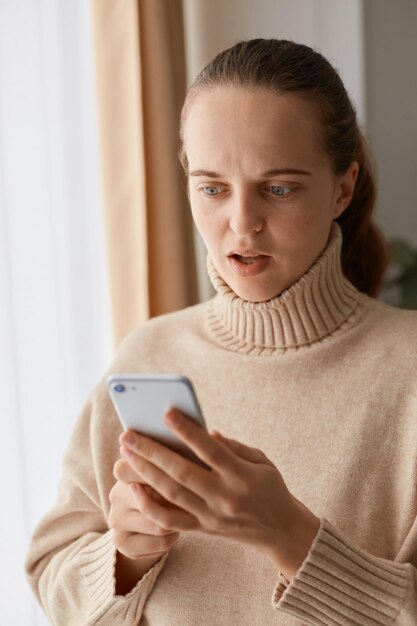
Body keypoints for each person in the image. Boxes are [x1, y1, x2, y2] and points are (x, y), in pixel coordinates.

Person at [25, 38, 417, 626]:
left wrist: (287, 533)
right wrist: (127, 556)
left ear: (342, 187)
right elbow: (51, 573)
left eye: (278, 188)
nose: (241, 223)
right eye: (212, 188)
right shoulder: (150, 354)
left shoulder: (407, 366)